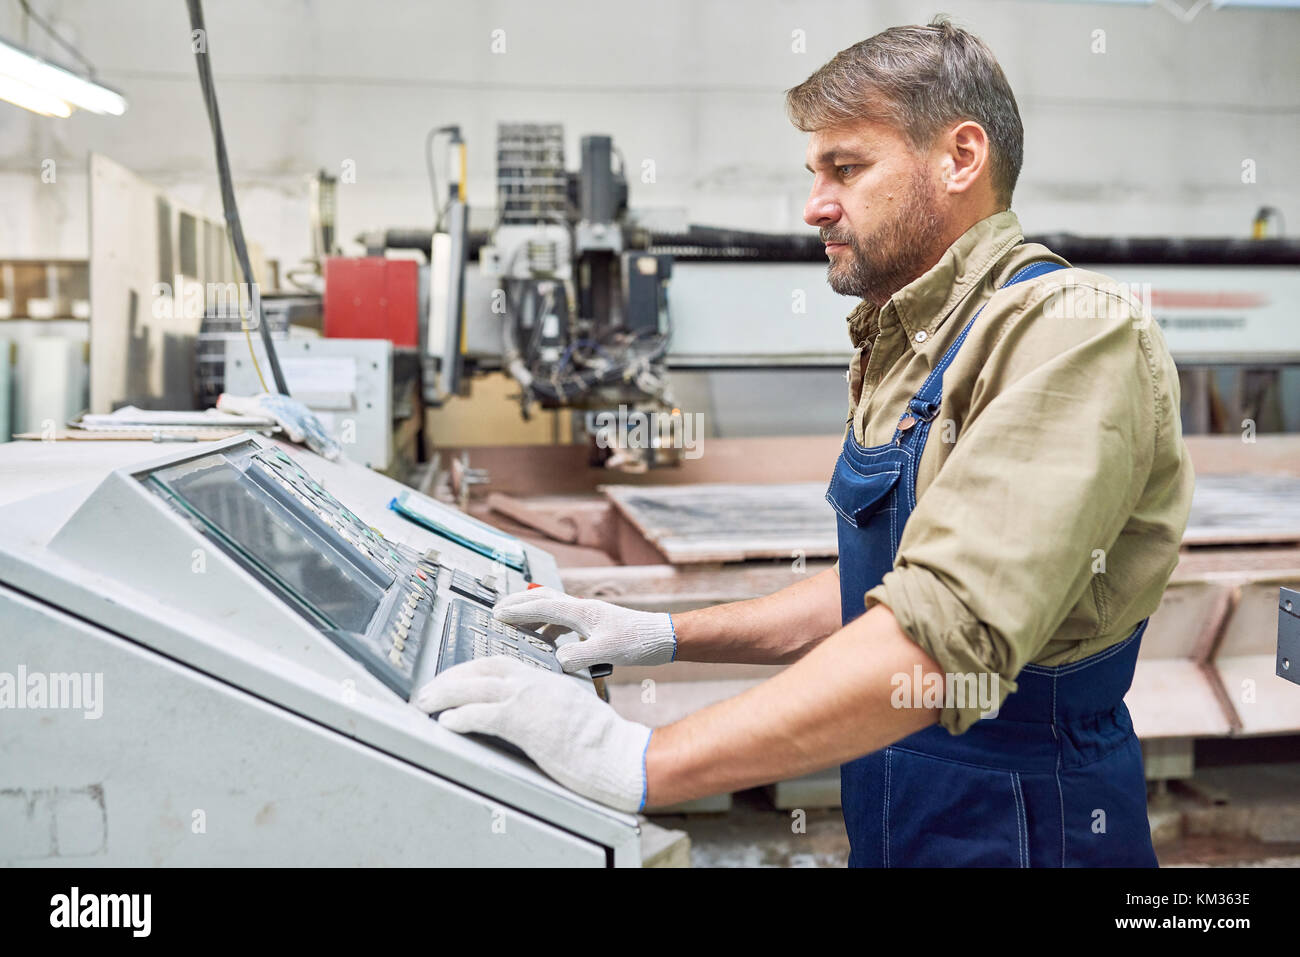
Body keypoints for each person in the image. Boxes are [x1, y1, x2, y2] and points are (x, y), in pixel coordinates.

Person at [416, 17, 1194, 868]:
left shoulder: (1070, 337)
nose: (814, 204)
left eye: (847, 168)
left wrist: (641, 761)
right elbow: (883, 586)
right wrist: (663, 633)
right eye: (815, 171)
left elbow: (938, 639)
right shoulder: (907, 339)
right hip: (900, 813)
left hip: (1026, 824)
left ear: (960, 158)